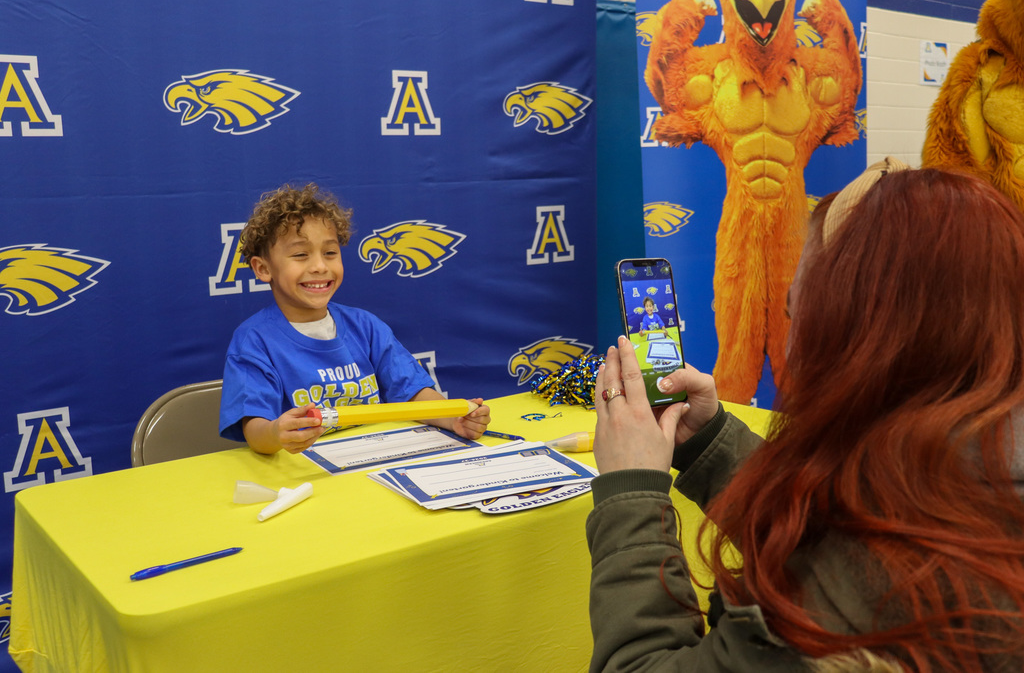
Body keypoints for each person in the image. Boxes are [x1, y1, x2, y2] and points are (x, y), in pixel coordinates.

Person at [588, 161, 1024, 672]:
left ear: (853, 339)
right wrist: (708, 443)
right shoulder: (953, 487)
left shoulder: (838, 597)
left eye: (797, 311)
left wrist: (631, 494)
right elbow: (847, 509)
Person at [219, 182, 490, 454]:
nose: (319, 266)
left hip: (378, 460)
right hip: (306, 472)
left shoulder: (366, 326)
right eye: (300, 255)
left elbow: (413, 393)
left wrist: (453, 418)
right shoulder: (254, 341)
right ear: (263, 268)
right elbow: (254, 430)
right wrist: (276, 434)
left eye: (330, 253)